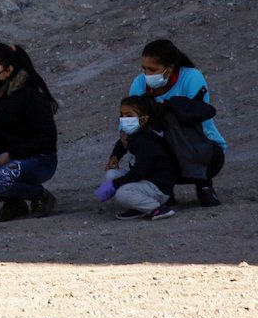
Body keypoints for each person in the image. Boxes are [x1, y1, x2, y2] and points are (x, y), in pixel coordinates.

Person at [114, 39, 226, 207]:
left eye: (152, 69)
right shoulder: (140, 82)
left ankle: (203, 185)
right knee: (142, 140)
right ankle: (164, 188)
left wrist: (160, 110)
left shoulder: (191, 77)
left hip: (197, 144)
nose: (147, 74)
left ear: (170, 68)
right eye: (144, 69)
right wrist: (124, 132)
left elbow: (193, 116)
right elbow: (132, 115)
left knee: (174, 129)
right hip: (161, 147)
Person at [0, 43, 59, 223]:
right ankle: (13, 204)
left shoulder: (29, 95)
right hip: (5, 156)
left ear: (8, 71)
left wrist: (12, 154)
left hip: (38, 159)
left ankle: (41, 196)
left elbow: (47, 139)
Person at [96, 95, 178, 221]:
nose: (124, 119)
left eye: (129, 116)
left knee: (122, 193)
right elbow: (123, 143)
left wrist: (114, 185)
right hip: (146, 181)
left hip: (157, 188)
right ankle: (140, 207)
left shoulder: (147, 141)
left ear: (143, 119)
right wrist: (115, 156)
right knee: (111, 174)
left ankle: (156, 208)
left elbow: (138, 173)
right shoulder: (138, 134)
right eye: (122, 115)